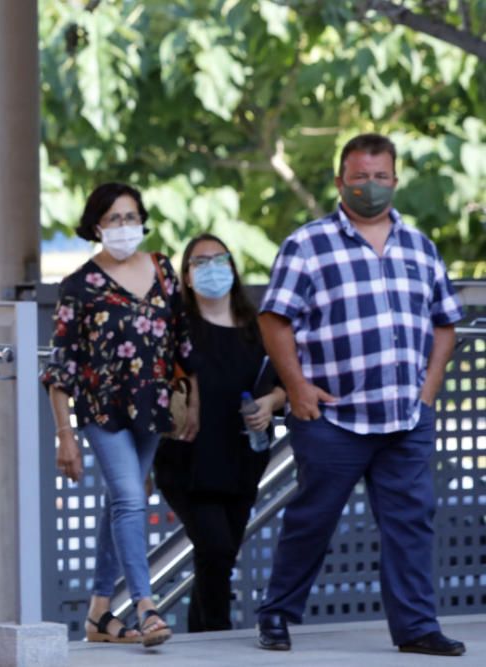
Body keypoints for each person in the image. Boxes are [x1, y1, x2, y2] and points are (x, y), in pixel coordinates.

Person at [255, 133, 465, 656]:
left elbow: (445, 324)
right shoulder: (308, 243)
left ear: (395, 179)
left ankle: (417, 628)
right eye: (360, 177)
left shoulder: (420, 246)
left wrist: (429, 391)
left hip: (404, 416)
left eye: (380, 177)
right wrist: (297, 387)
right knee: (312, 520)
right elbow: (274, 318)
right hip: (332, 417)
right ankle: (277, 614)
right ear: (339, 181)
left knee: (410, 524)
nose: (370, 186)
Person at [41, 182, 198, 647]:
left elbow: (183, 342)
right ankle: (146, 607)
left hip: (153, 408)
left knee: (119, 504)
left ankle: (98, 615)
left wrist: (191, 399)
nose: (125, 227)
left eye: (132, 217)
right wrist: (64, 436)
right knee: (131, 498)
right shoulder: (79, 286)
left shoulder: (162, 269)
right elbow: (60, 367)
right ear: (96, 226)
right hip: (102, 410)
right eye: (114, 219)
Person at [154, 233, 285, 632]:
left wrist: (270, 404)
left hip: (242, 456)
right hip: (187, 460)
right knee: (215, 547)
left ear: (232, 266)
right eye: (199, 262)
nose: (211, 267)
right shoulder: (175, 329)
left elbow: (284, 383)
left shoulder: (258, 327)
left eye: (219, 259)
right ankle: (217, 632)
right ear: (187, 278)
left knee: (221, 557)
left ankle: (202, 638)